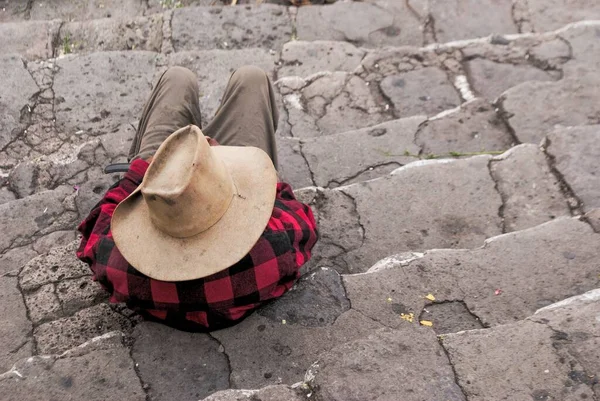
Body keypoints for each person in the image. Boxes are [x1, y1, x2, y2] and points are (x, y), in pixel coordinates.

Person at [76, 66, 318, 331]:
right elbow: (295, 213)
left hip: (165, 198)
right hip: (222, 189)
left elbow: (97, 230)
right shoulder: (271, 249)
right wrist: (225, 168)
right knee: (252, 78)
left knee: (177, 78)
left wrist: (150, 173)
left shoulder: (122, 267)